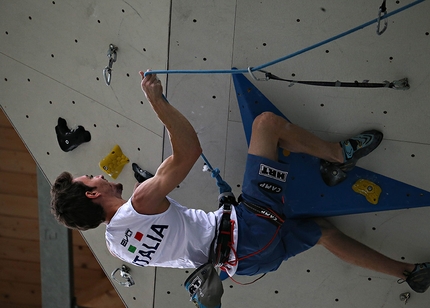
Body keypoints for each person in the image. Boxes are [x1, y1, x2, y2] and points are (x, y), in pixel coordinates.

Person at [51, 70, 430, 301]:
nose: (97, 174)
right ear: (93, 194)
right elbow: (189, 151)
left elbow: (179, 236)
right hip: (249, 229)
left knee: (324, 234)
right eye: (91, 177)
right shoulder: (139, 201)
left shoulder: (117, 247)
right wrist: (157, 102)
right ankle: (338, 155)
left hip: (246, 262)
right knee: (266, 125)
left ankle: (409, 272)